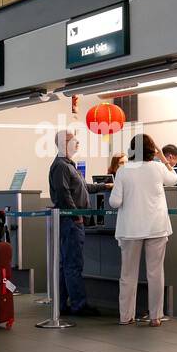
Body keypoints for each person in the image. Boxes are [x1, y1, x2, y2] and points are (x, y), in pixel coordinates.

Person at [108, 134, 177, 327]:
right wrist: (163, 158)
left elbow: (115, 202)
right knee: (155, 273)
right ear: (152, 150)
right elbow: (174, 179)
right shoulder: (157, 168)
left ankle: (125, 316)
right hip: (156, 226)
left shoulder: (124, 171)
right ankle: (155, 316)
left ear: (132, 150)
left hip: (131, 228)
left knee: (128, 274)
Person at [49, 130, 111, 316]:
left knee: (67, 263)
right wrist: (76, 214)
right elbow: (63, 192)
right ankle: (78, 304)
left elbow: (83, 188)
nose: (77, 143)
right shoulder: (61, 165)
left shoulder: (68, 165)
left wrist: (105, 186)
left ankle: (62, 304)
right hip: (71, 221)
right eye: (74, 140)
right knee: (73, 264)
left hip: (71, 219)